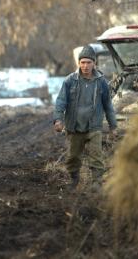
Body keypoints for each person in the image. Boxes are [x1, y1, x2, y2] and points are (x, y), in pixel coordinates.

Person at [53, 45, 117, 189]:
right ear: (79, 63)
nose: (85, 66)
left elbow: (108, 105)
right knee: (73, 157)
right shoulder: (70, 80)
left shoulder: (101, 82)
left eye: (88, 62)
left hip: (94, 126)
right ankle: (74, 179)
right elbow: (61, 101)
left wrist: (113, 126)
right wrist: (58, 119)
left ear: (94, 63)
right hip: (74, 126)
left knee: (96, 156)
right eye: (83, 62)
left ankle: (96, 183)